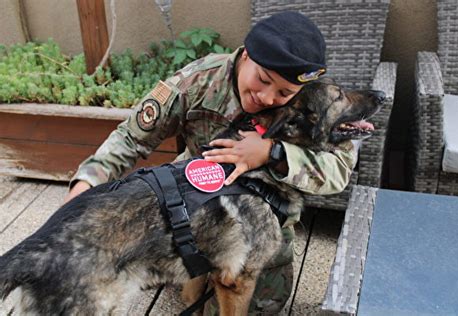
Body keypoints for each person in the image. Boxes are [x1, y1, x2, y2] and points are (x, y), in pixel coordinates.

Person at [65, 11, 356, 314]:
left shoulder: (311, 98)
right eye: (262, 79)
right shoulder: (198, 81)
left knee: (259, 304)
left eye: (284, 93)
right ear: (246, 56)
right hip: (192, 207)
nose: (267, 98)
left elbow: (339, 168)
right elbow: (131, 138)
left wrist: (274, 153)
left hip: (261, 220)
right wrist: (86, 183)